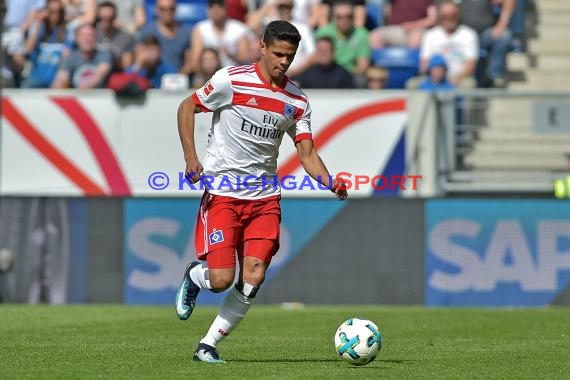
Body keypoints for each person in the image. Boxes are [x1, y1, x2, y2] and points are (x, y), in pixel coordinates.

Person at [175, 20, 348, 363]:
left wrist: (330, 181)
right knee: (222, 279)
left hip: (265, 199)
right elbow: (187, 107)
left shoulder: (296, 100)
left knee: (253, 277)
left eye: (291, 55)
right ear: (263, 48)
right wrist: (191, 158)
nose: (284, 61)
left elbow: (306, 152)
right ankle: (195, 276)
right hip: (224, 193)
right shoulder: (231, 80)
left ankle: (207, 345)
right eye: (279, 54)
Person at [457, 0, 515, 88]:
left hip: (484, 33)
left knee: (504, 36)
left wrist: (502, 24)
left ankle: (495, 76)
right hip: (460, 35)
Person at [419, 0, 478, 87]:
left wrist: (456, 77)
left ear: (458, 15)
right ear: (440, 16)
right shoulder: (430, 35)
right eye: (445, 15)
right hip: (434, 77)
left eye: (452, 15)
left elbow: (470, 66)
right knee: (412, 84)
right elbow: (424, 64)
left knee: (468, 84)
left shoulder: (469, 35)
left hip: (459, 78)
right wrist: (436, 76)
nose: (449, 18)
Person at [315, 0, 370, 88]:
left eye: (349, 16)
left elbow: (362, 67)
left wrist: (342, 74)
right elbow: (316, 57)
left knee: (360, 80)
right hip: (326, 71)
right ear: (333, 18)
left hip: (349, 75)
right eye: (339, 17)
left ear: (353, 17)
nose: (344, 20)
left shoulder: (361, 34)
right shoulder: (324, 32)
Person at [22, 0, 73, 88]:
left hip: (55, 81)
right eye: (51, 11)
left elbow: (67, 56)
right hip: (35, 79)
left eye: (59, 11)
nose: (55, 14)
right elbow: (28, 49)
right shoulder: (40, 29)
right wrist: (38, 23)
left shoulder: (67, 31)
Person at [137, 0, 192, 75]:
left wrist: (177, 78)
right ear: (156, 10)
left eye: (171, 8)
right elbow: (139, 59)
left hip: (178, 81)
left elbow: (190, 62)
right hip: (152, 80)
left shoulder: (185, 32)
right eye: (162, 9)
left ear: (176, 9)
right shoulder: (146, 32)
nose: (167, 12)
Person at [51, 22, 112, 88]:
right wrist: (60, 84)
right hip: (76, 96)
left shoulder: (104, 54)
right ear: (76, 38)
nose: (87, 38)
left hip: (100, 96)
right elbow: (62, 76)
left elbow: (101, 73)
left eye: (90, 35)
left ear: (95, 38)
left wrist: (84, 87)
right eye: (83, 35)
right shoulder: (71, 57)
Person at [368, 0, 436, 49]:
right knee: (374, 37)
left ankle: (412, 68)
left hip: (417, 30)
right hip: (396, 29)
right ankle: (380, 68)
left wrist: (413, 25)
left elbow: (432, 19)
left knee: (415, 39)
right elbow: (386, 11)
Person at [95, 1, 135, 72]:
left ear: (115, 17)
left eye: (110, 19)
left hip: (116, 73)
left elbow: (127, 65)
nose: (106, 23)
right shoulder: (92, 34)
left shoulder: (126, 37)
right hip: (94, 71)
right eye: (102, 19)